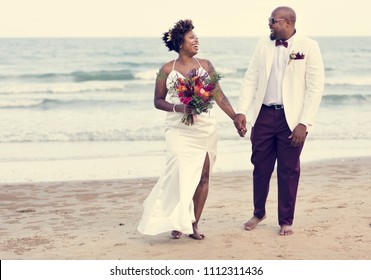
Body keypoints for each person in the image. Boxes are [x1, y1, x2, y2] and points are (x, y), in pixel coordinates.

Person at [138, 19, 236, 240]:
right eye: (191, 37)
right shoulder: (166, 70)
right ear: (180, 43)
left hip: (205, 127)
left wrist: (235, 117)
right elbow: (157, 100)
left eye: (196, 36)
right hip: (178, 129)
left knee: (203, 176)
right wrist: (179, 107)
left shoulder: (206, 65)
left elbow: (218, 95)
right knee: (178, 174)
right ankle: (176, 220)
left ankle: (192, 224)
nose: (196, 40)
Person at [234, 6, 324, 236]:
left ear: (288, 22)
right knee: (260, 167)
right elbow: (251, 77)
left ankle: (286, 220)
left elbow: (315, 88)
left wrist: (305, 122)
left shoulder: (309, 46)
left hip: (291, 119)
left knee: (288, 170)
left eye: (273, 20)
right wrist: (242, 110)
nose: (269, 24)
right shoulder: (263, 43)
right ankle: (258, 212)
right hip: (263, 115)